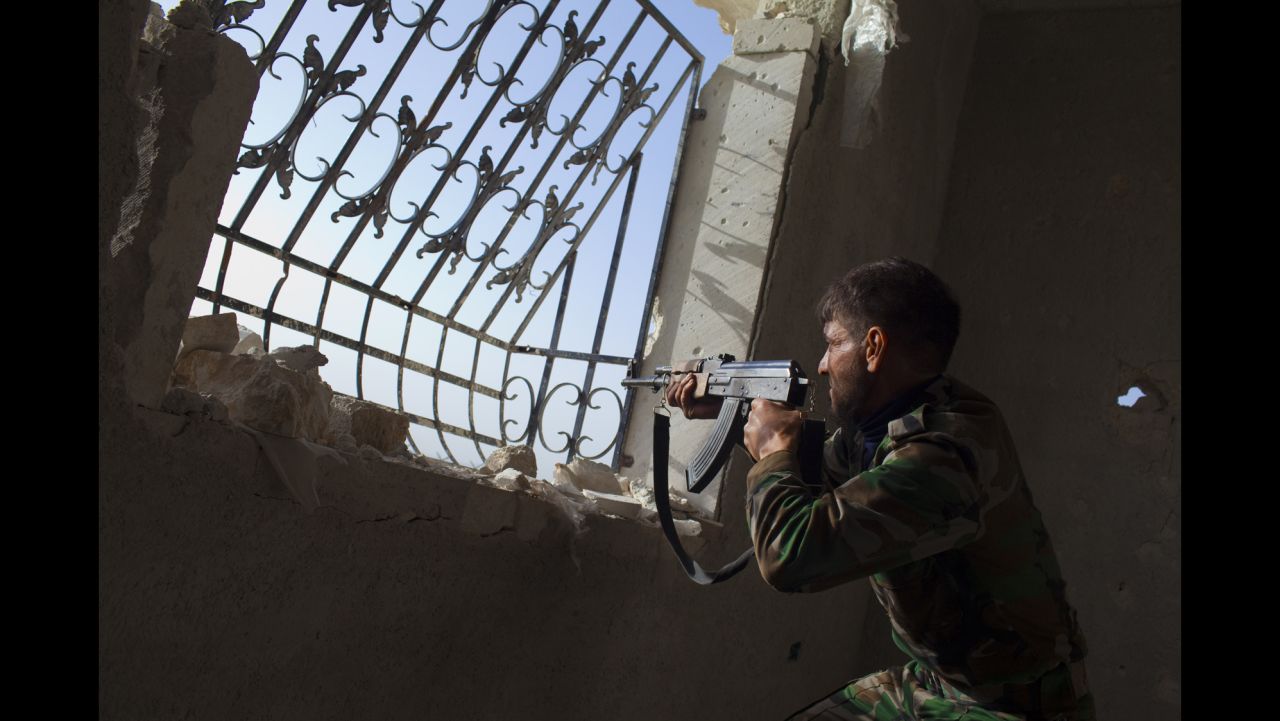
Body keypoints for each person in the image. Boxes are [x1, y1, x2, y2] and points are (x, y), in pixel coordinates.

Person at [665, 258, 1094, 721]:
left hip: (1015, 703)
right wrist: (738, 413)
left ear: (873, 346)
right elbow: (817, 484)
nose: (823, 365)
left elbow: (792, 557)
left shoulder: (945, 453)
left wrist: (772, 449)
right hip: (939, 681)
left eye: (832, 344)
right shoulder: (885, 426)